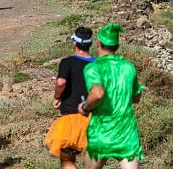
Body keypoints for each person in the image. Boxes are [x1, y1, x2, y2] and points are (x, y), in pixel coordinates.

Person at [78, 23, 145, 169]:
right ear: (117, 46)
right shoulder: (129, 67)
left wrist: (85, 107)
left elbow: (97, 93)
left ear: (98, 43)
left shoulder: (93, 68)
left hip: (101, 131)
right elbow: (136, 98)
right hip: (126, 132)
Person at [45, 27, 95, 169]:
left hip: (72, 116)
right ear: (90, 44)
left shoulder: (67, 62)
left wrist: (57, 97)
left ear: (74, 42)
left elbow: (61, 82)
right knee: (93, 162)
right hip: (95, 119)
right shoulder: (98, 64)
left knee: (67, 160)